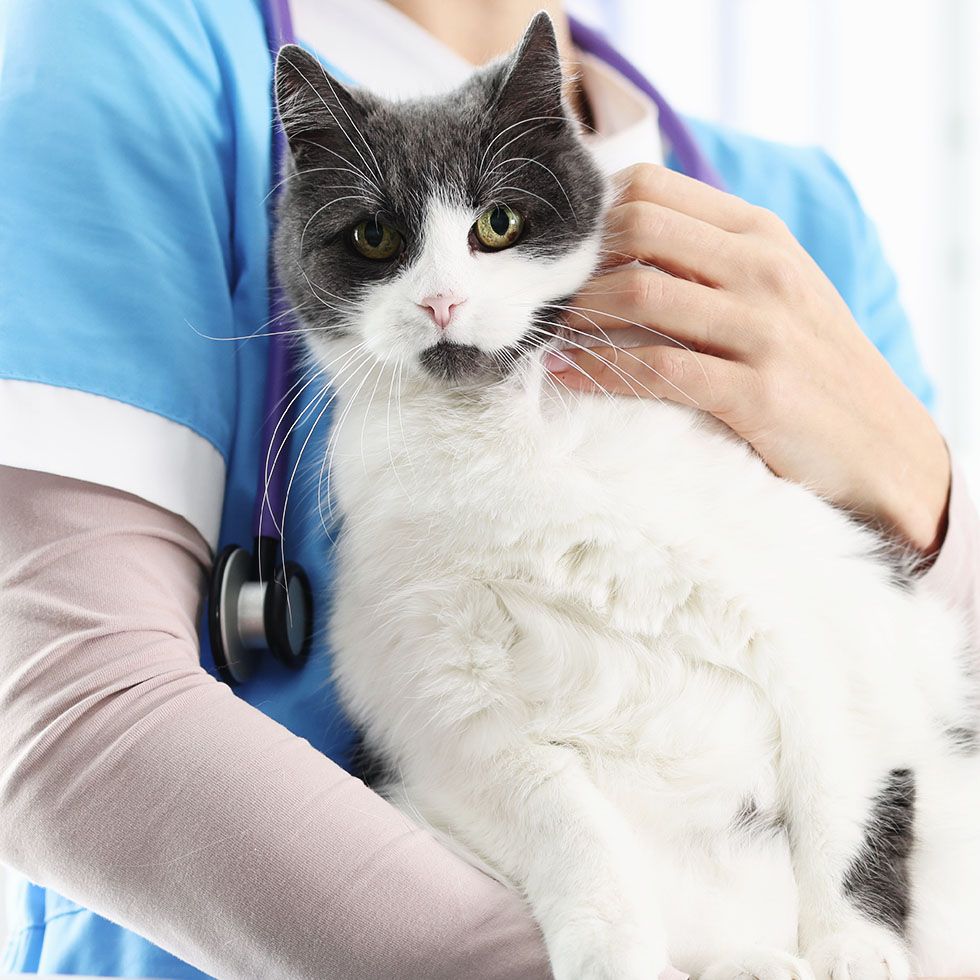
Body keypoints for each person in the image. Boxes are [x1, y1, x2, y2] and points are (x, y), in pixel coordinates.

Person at [0, 0, 976, 977]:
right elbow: (74, 717)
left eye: (497, 226)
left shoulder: (803, 205)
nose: (444, 294)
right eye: (377, 240)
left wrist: (917, 481)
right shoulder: (136, 49)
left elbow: (933, 706)